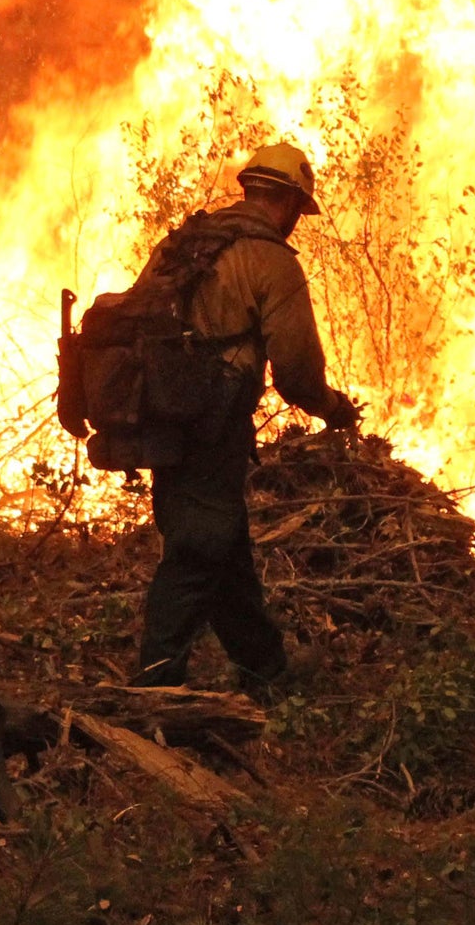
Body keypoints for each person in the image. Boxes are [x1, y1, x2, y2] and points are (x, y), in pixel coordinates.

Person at [131, 142, 360, 698]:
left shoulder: (181, 244)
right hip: (213, 423)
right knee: (197, 549)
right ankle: (155, 686)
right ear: (290, 203)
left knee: (221, 542)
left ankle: (265, 668)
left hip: (159, 416)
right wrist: (333, 408)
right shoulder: (271, 261)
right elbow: (296, 373)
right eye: (299, 211)